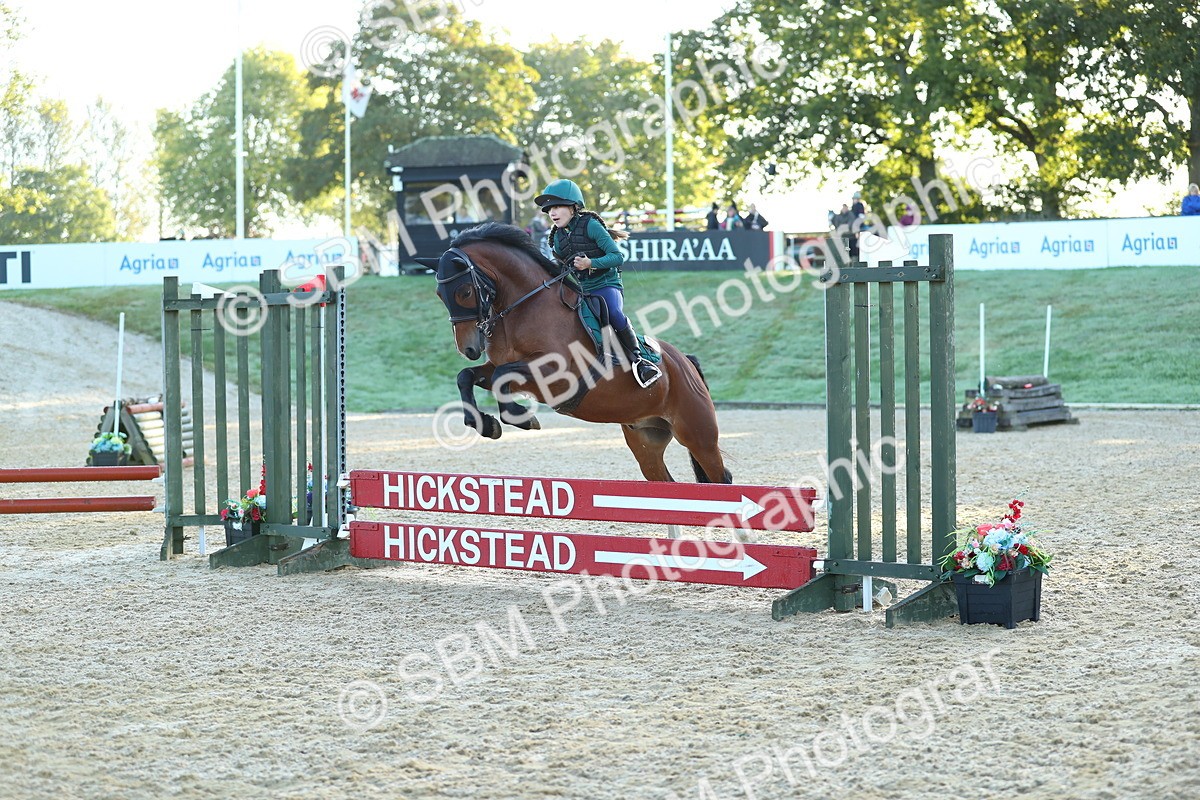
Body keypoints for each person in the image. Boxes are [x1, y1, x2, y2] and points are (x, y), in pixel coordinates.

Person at [534, 178, 662, 388]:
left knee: (613, 312)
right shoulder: (556, 237)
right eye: (549, 210)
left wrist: (590, 263)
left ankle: (639, 361)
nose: (552, 213)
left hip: (607, 284)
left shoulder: (591, 225)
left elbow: (617, 257)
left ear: (573, 207)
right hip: (582, 290)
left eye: (557, 207)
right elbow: (559, 267)